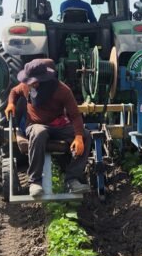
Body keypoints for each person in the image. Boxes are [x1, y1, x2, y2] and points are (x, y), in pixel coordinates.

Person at [5, 58, 91, 196]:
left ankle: (72, 179)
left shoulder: (62, 90)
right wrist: (11, 103)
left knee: (86, 135)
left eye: (34, 81)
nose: (31, 84)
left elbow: (75, 115)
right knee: (39, 132)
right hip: (35, 125)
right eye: (29, 81)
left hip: (58, 125)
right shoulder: (26, 85)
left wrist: (79, 137)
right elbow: (14, 91)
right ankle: (35, 181)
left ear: (44, 79)